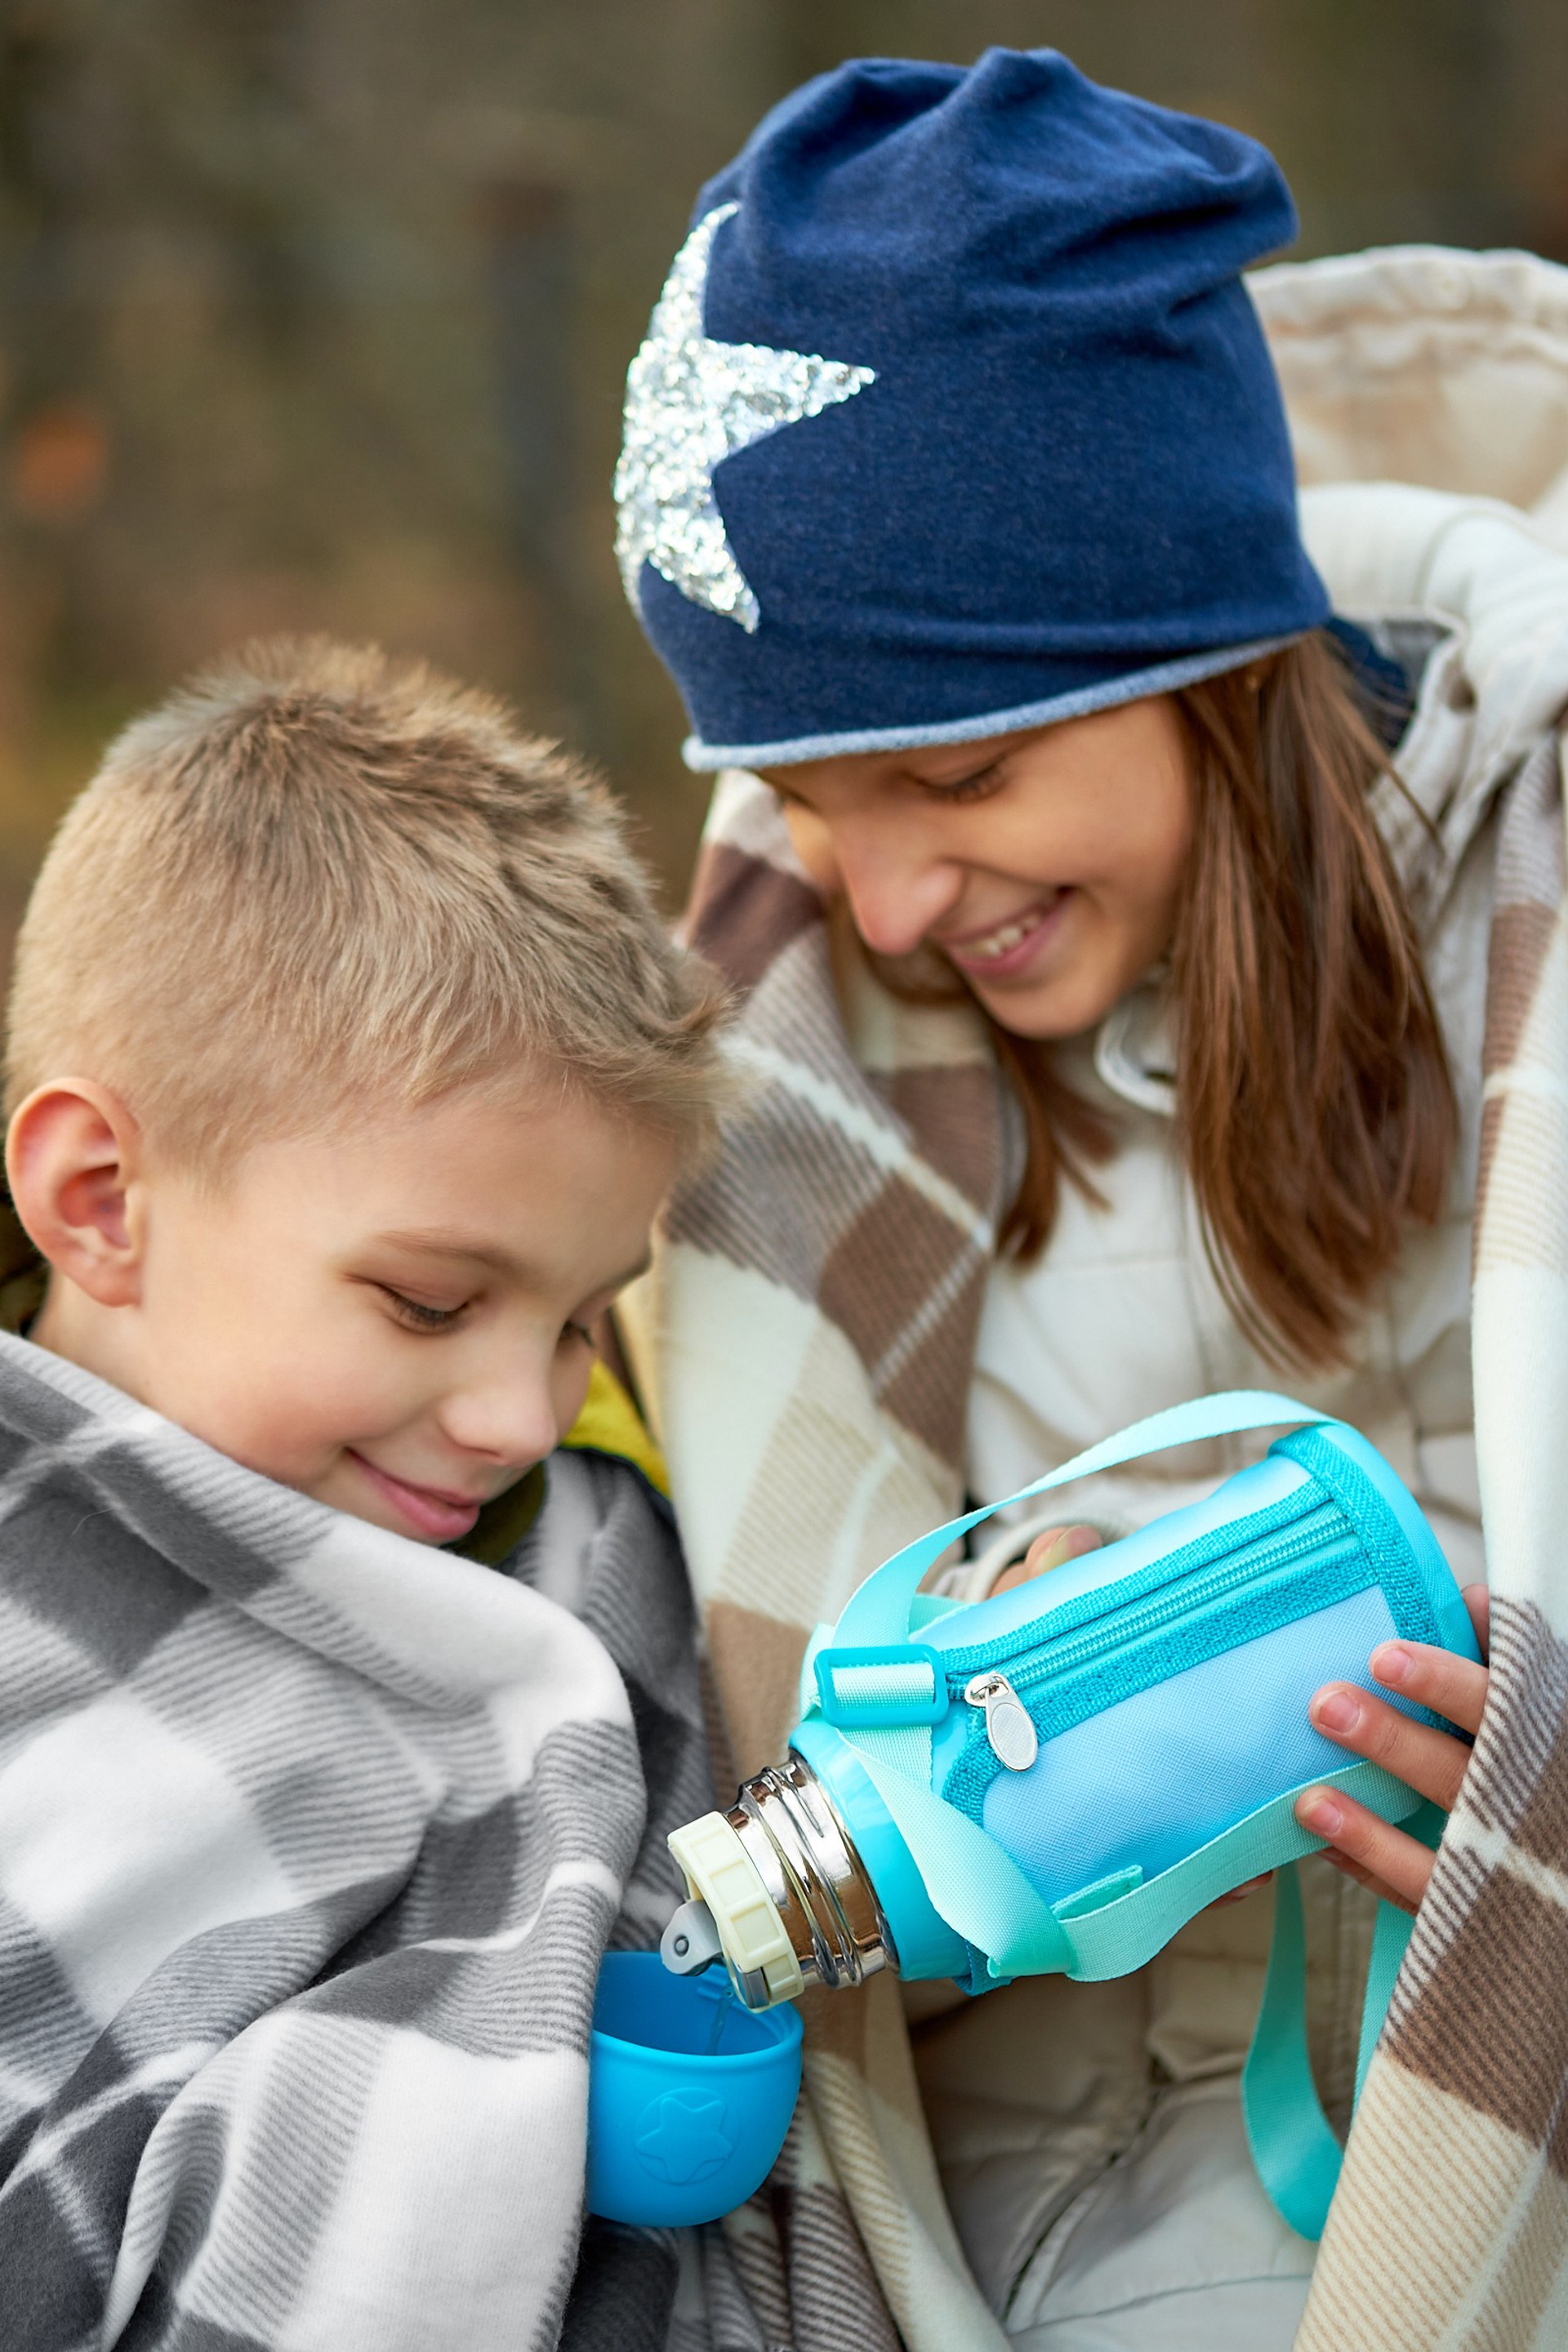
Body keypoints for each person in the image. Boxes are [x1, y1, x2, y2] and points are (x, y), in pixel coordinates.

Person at [615, 48, 1568, 2352]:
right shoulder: (811, 1049)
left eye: (959, 771)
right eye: (813, 803)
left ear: (1212, 669)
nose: (900, 896)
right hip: (1097, 2177)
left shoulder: (1517, 934)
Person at [0, 638, 729, 2349]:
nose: (518, 1418)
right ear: (102, 1198)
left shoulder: (604, 1534)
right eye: (427, 1303)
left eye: (581, 1319)